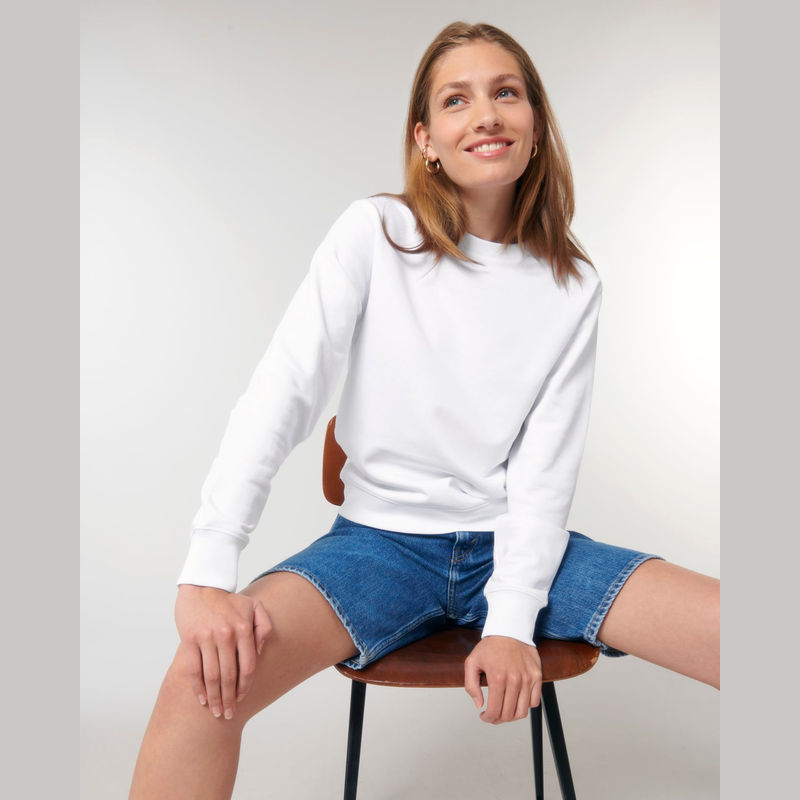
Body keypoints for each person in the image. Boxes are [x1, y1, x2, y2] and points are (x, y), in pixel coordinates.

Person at [128, 20, 719, 799]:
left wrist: (510, 623)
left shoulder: (571, 285)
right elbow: (284, 392)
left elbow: (543, 472)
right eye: (456, 99)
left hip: (516, 545)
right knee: (202, 681)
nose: (486, 114)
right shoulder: (377, 233)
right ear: (426, 138)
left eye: (506, 92)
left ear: (535, 124)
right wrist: (209, 564)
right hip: (376, 550)